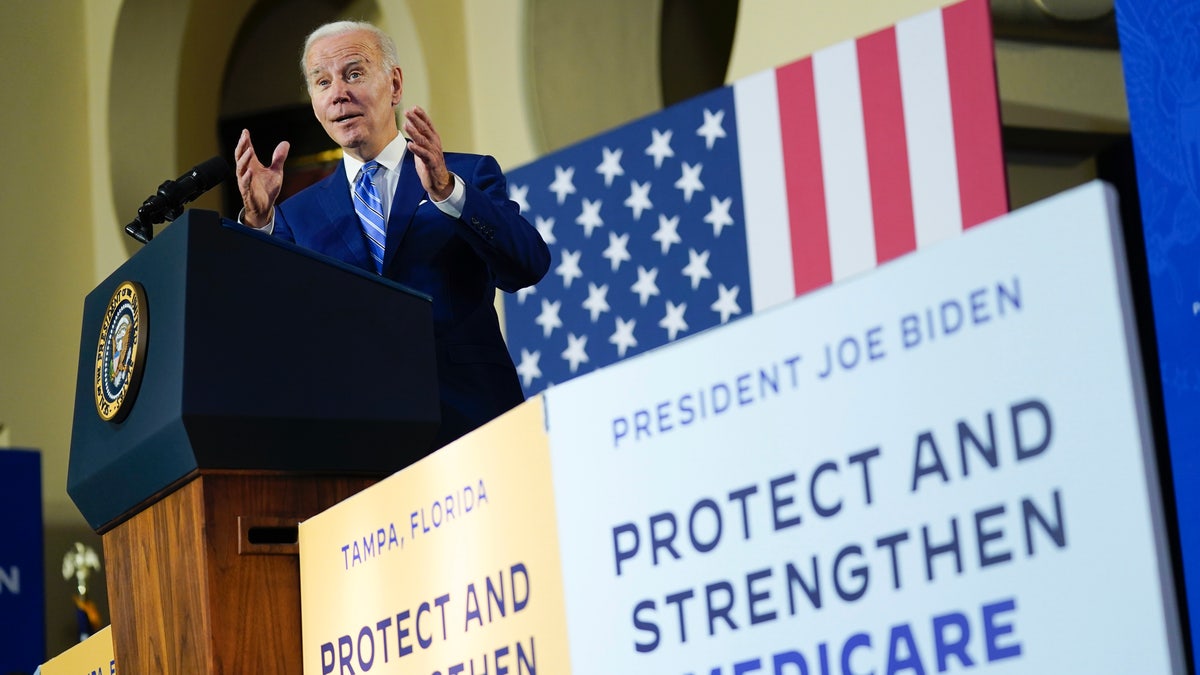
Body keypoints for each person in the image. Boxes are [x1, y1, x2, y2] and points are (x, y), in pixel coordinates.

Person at [234, 20, 550, 448]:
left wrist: (448, 193)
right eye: (322, 81)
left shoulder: (466, 175)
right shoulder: (294, 216)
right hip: (361, 443)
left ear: (395, 85)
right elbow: (268, 325)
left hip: (475, 424)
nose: (338, 92)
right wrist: (258, 226)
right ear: (314, 101)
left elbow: (527, 264)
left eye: (354, 73)